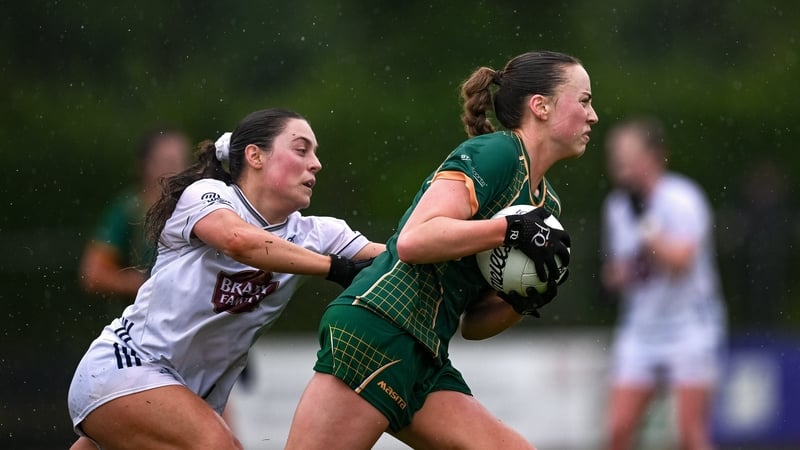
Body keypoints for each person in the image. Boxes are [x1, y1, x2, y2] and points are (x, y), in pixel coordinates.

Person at [285, 50, 598, 450]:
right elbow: (414, 242)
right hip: (382, 328)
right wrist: (507, 230)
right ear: (541, 106)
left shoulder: (546, 206)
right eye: (585, 101)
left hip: (426, 352)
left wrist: (527, 297)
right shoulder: (497, 153)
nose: (593, 117)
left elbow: (474, 325)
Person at [67, 108, 385, 450]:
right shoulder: (209, 196)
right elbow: (238, 241)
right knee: (219, 446)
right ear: (255, 156)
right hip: (126, 367)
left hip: (187, 394)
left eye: (316, 153)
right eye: (301, 149)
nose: (316, 163)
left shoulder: (320, 233)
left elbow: (395, 258)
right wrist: (333, 267)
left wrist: (445, 243)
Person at [600, 117, 726, 450]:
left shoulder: (683, 198)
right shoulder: (615, 206)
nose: (620, 166)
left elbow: (681, 262)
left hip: (690, 325)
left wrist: (646, 224)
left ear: (654, 156)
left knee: (688, 434)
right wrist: (616, 274)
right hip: (641, 328)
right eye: (616, 157)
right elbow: (618, 270)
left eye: (628, 156)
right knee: (618, 430)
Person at [79, 127, 190, 300]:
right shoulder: (129, 209)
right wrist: (148, 284)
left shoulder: (196, 206)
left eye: (181, 161)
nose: (177, 170)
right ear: (144, 164)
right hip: (141, 322)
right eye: (168, 162)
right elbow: (93, 274)